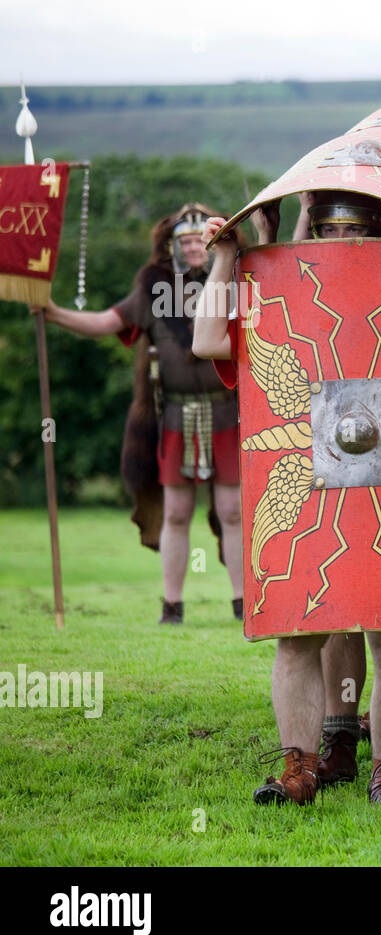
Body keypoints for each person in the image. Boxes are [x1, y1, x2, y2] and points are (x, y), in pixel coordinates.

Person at [194, 192, 381, 804]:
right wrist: (230, 260)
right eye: (334, 229)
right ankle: (299, 771)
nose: (345, 243)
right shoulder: (284, 303)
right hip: (310, 473)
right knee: (297, 630)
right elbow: (206, 340)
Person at [35, 203, 244, 624]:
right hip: (173, 415)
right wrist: (52, 312)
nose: (193, 246)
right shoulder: (153, 287)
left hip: (228, 413)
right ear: (172, 247)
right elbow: (104, 322)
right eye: (184, 240)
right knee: (175, 512)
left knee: (234, 511)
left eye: (200, 238)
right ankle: (172, 605)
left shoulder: (236, 279)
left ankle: (243, 603)